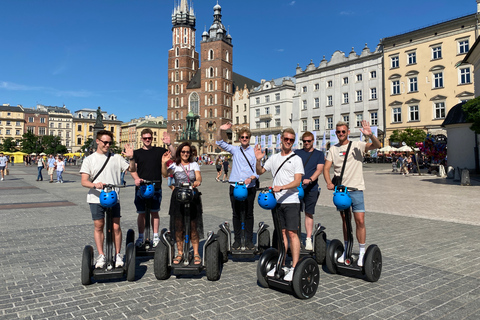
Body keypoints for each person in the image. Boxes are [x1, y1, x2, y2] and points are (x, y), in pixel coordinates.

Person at [323, 120, 381, 267]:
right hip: (341, 192)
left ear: (348, 132)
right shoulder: (333, 149)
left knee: (360, 221)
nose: (341, 134)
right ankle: (347, 249)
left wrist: (370, 135)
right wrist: (329, 182)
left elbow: (377, 146)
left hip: (356, 189)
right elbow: (326, 168)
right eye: (338, 132)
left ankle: (361, 252)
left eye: (343, 131)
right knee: (345, 221)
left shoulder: (357, 145)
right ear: (336, 133)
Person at [255, 128, 304, 281]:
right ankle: (281, 264)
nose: (288, 142)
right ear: (281, 139)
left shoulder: (296, 159)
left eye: (291, 140)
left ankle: (295, 267)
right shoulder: (274, 158)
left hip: (291, 201)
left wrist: (282, 187)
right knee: (281, 233)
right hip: (277, 202)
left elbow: (298, 181)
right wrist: (257, 160)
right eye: (286, 139)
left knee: (292, 234)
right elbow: (261, 171)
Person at [80, 130, 131, 269]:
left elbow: (131, 169)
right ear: (97, 141)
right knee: (99, 226)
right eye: (105, 142)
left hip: (114, 198)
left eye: (110, 143)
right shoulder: (89, 159)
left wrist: (131, 158)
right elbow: (84, 181)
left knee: (116, 227)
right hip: (96, 198)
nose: (107, 145)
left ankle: (118, 254)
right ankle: (101, 255)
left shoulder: (117, 158)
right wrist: (94, 184)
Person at [125, 129, 175, 248]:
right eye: (145, 138)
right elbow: (132, 169)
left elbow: (173, 155)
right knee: (141, 213)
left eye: (149, 138)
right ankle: (141, 236)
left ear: (152, 138)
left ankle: (156, 236)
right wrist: (136, 178)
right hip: (141, 187)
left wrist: (169, 144)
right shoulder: (136, 153)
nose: (147, 140)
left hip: (155, 186)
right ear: (141, 139)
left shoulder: (159, 151)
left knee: (155, 212)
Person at [216, 123, 259, 249]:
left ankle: (249, 239)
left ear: (249, 138)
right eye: (242, 137)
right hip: (235, 185)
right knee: (236, 213)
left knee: (249, 213)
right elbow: (219, 142)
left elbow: (259, 170)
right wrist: (220, 129)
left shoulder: (254, 151)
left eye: (246, 137)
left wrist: (251, 177)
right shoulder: (235, 150)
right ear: (239, 138)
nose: (244, 139)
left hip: (249, 186)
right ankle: (238, 239)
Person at [161, 142, 204, 265]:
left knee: (194, 226)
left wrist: (197, 182)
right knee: (178, 226)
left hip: (192, 196)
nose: (185, 154)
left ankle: (196, 253)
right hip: (178, 197)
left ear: (190, 153)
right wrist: (163, 163)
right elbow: (165, 174)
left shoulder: (194, 164)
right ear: (180, 152)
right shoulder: (175, 165)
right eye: (183, 151)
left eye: (187, 152)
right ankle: (180, 252)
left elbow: (199, 177)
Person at [294, 131, 325, 250]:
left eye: (309, 141)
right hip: (297, 187)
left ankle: (308, 239)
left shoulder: (319, 154)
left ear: (313, 141)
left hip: (311, 188)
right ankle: (295, 237)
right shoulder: (296, 153)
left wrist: (310, 179)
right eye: (304, 141)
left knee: (308, 213)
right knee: (295, 213)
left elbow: (319, 169)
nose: (306, 143)